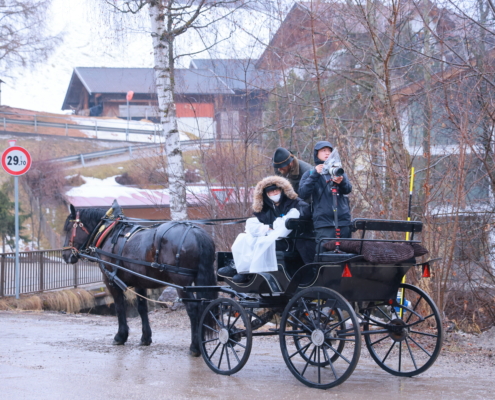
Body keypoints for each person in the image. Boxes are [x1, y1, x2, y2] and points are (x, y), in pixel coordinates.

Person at [218, 176, 312, 283]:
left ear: (282, 190)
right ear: (266, 195)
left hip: (292, 240)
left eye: (276, 190)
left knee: (261, 242)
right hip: (275, 236)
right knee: (243, 237)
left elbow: (287, 225)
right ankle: (239, 267)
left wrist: (271, 228)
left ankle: (248, 272)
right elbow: (257, 224)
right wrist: (267, 228)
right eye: (270, 192)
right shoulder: (268, 207)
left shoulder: (296, 204)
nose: (274, 194)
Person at [298, 141, 352, 246]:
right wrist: (315, 174)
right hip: (323, 223)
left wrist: (341, 182)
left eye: (329, 151)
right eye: (323, 150)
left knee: (346, 252)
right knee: (325, 252)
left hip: (343, 221)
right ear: (316, 154)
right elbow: (303, 194)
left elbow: (348, 189)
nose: (327, 153)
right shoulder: (310, 173)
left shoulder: (338, 170)